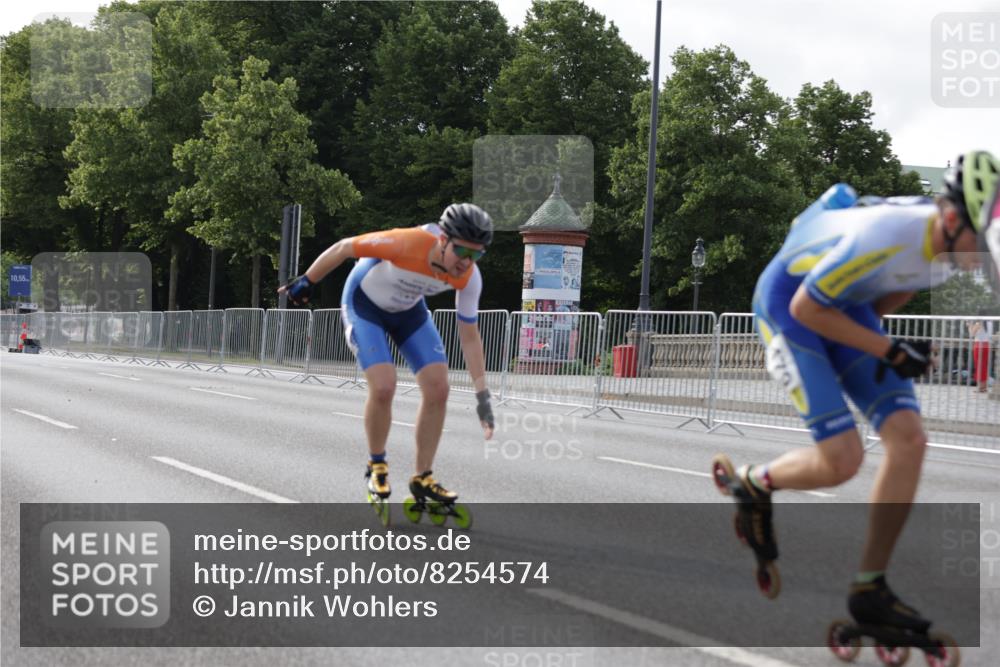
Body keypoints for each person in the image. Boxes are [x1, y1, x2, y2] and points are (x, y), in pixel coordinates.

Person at [717, 151, 999, 625]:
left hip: (847, 304)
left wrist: (869, 351)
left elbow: (897, 290)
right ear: (951, 217)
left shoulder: (952, 251)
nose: (983, 258)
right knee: (842, 461)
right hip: (790, 304)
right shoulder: (888, 232)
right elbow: (808, 310)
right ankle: (754, 483)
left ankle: (870, 586)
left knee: (909, 439)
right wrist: (887, 352)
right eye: (982, 244)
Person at [279, 203, 496, 506]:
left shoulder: (469, 277)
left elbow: (470, 339)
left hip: (409, 313)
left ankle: (423, 477)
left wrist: (482, 398)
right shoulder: (408, 242)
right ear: (443, 240)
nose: (467, 262)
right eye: (462, 252)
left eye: (477, 255)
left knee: (439, 389)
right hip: (365, 306)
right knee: (384, 387)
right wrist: (308, 280)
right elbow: (344, 247)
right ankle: (377, 465)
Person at [966, 319, 991, 393]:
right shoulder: (990, 322)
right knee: (984, 366)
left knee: (979, 366)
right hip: (986, 345)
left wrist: (969, 325)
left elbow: (971, 334)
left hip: (979, 345)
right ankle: (984, 387)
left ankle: (980, 387)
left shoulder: (978, 323)